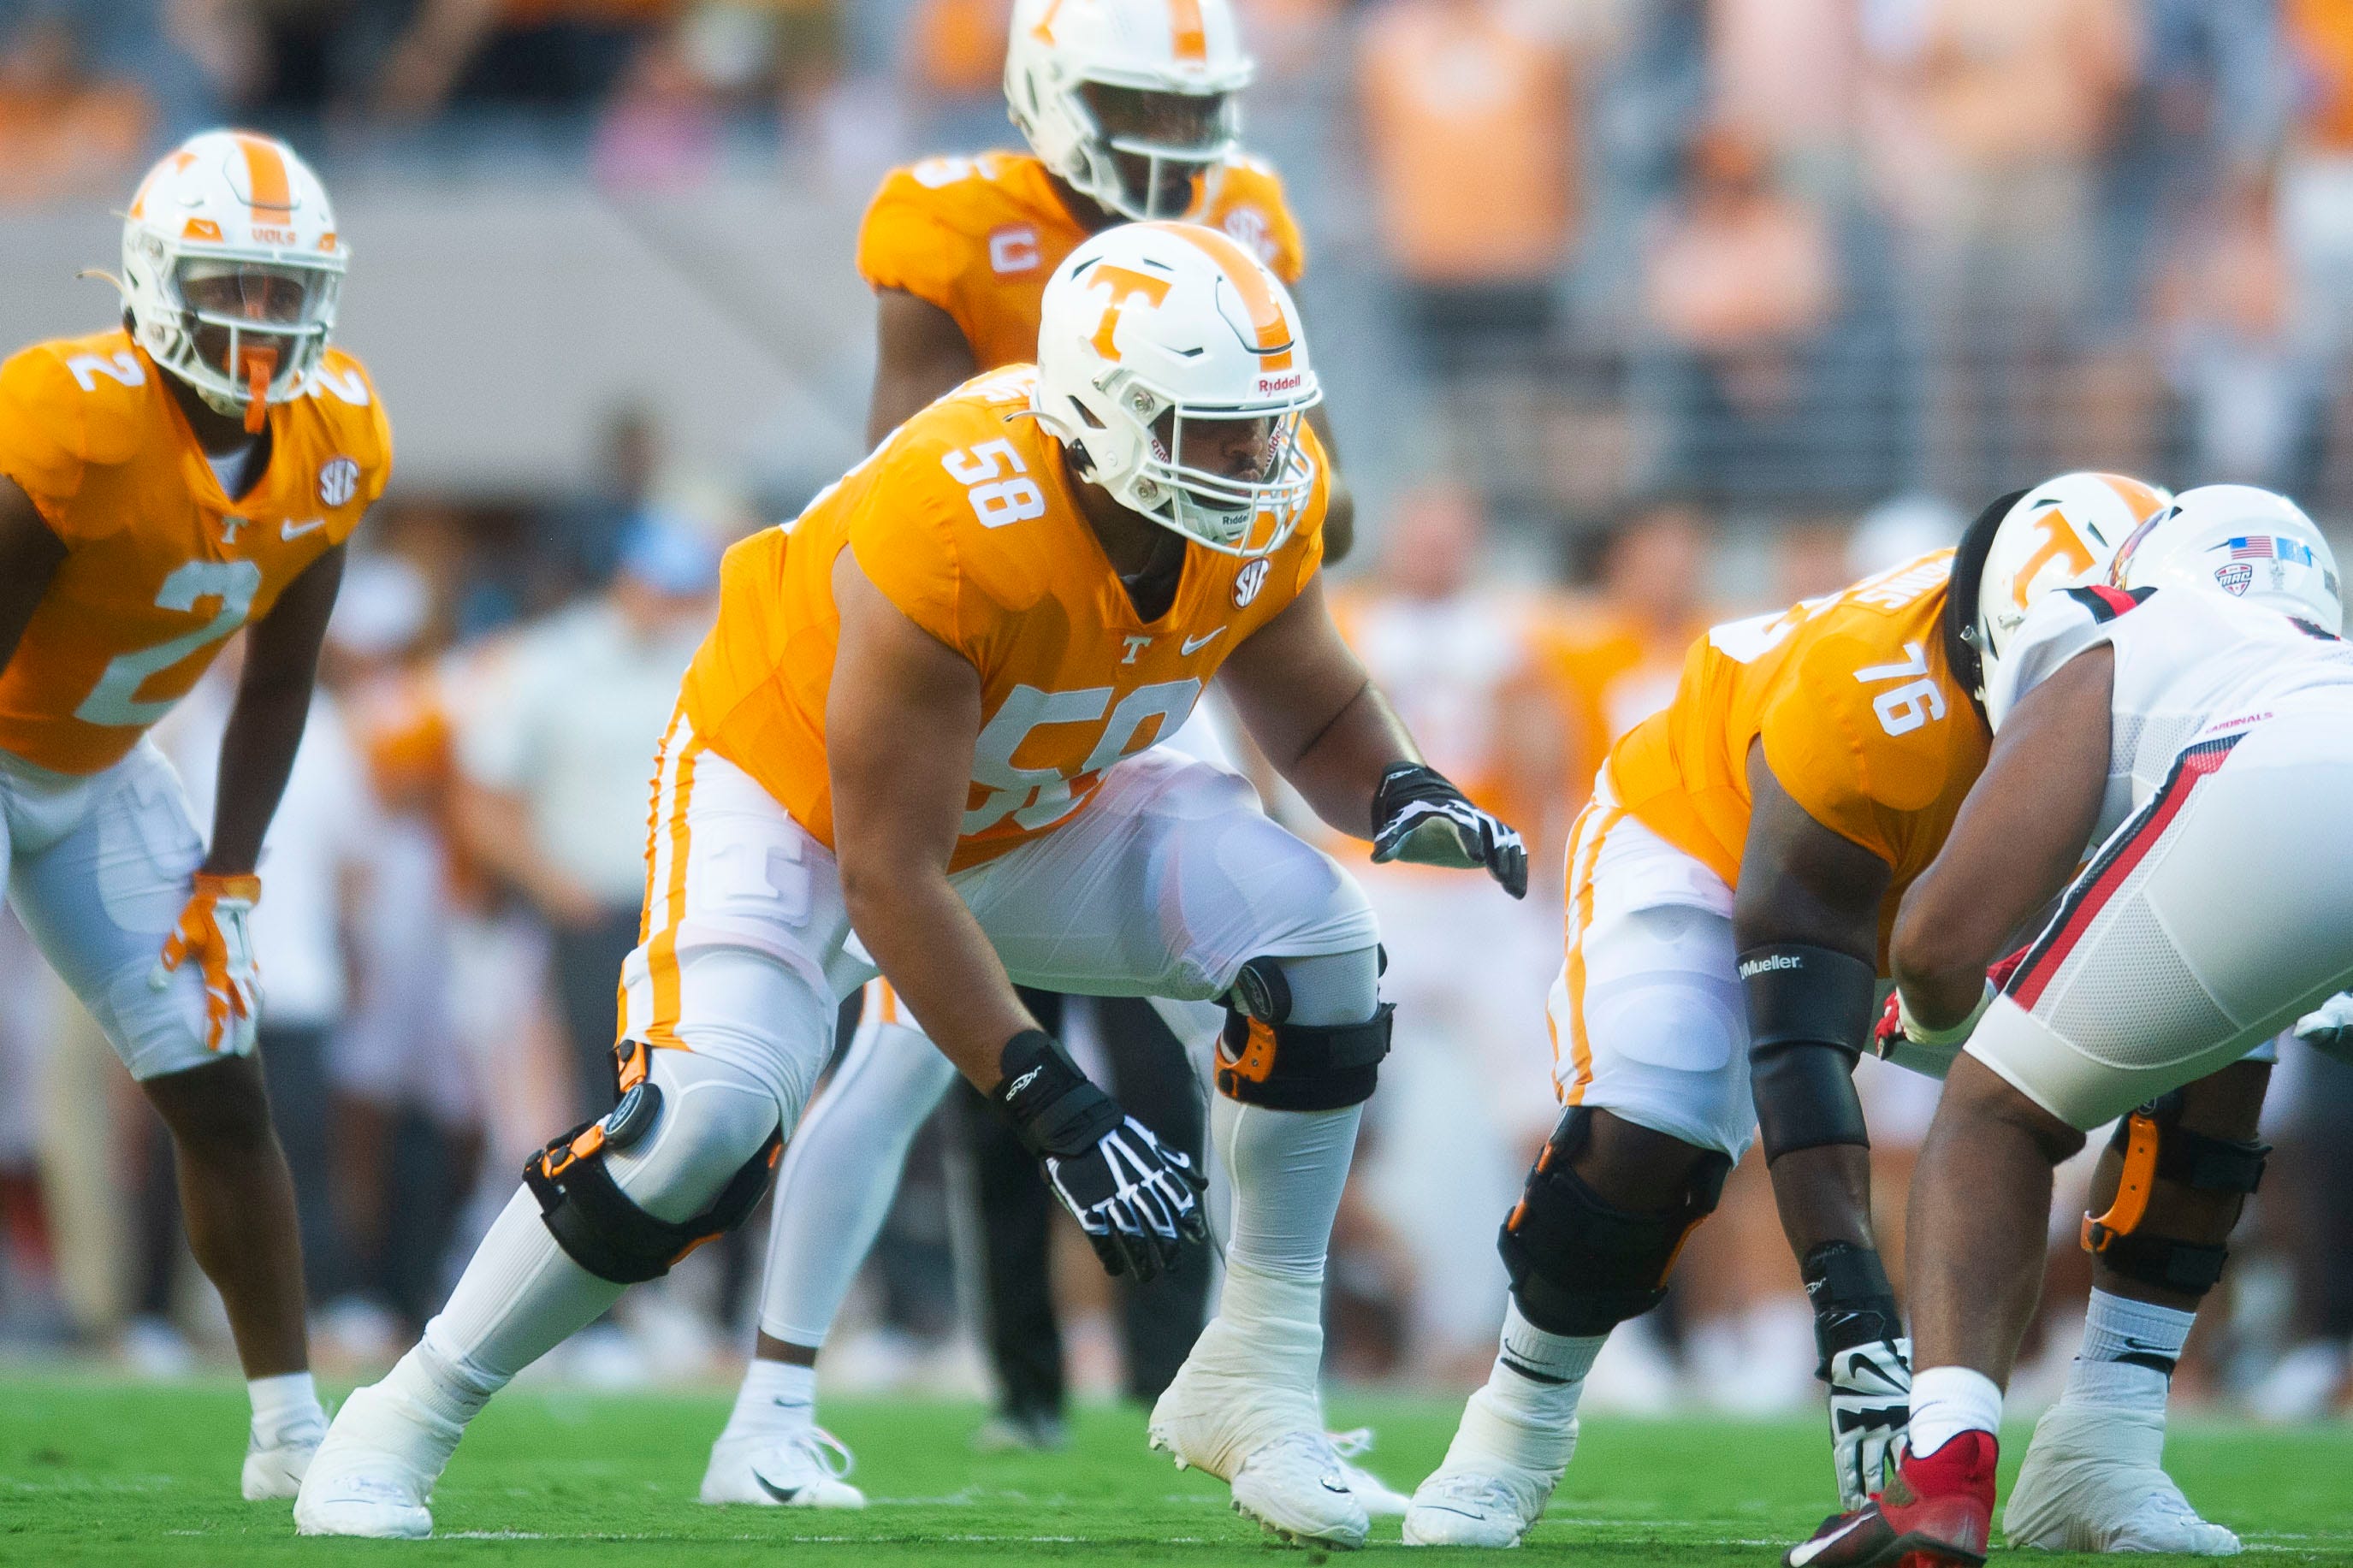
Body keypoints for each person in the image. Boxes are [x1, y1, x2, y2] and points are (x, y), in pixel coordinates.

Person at [294, 220, 1525, 1547]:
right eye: (1209, 428)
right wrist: (1061, 1105)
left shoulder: (1257, 496)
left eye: (1262, 423)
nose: (1254, 459)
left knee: (1320, 941)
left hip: (1028, 801)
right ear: (1101, 417)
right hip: (790, 800)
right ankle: (402, 1416)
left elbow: (1313, 702)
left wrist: (1402, 787)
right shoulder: (956, 519)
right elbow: (888, 876)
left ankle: (1259, 1387)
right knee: (703, 1126)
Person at [698, 0, 1370, 1507]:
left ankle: (1255, 1383)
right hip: (983, 653)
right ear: (1047, 92)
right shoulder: (951, 224)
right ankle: (776, 1390)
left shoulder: (1248, 214)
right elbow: (901, 498)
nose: (1180, 147)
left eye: (1201, 113)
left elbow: (1312, 496)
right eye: (1143, 105)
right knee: (898, 1040)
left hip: (1163, 636)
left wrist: (1282, 504)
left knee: (1271, 993)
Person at [1401, 475, 2231, 1552]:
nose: (2086, 713)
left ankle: (2108, 1444)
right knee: (1659, 1105)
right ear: (1990, 648)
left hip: (1965, 885)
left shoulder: (2205, 686)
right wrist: (1850, 1310)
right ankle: (1511, 1428)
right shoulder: (1868, 701)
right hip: (1707, 836)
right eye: (2063, 683)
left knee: (2216, 1046)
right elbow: (1797, 1039)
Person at [1788, 486, 2353, 1566]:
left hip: (2267, 788)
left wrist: (1944, 1028)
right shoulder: (2301, 655)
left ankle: (1939, 1480)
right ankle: (2104, 1441)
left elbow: (1938, 941)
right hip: (2296, 809)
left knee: (1990, 1120)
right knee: (2222, 1062)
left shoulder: (2119, 619)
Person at [0, 129, 388, 1494]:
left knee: (220, 1082)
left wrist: (230, 869)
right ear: (158, 278)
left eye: (285, 291)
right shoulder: (78, 414)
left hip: (100, 770)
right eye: (233, 283)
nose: (261, 318)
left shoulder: (338, 436)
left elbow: (282, 675)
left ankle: (291, 1434)